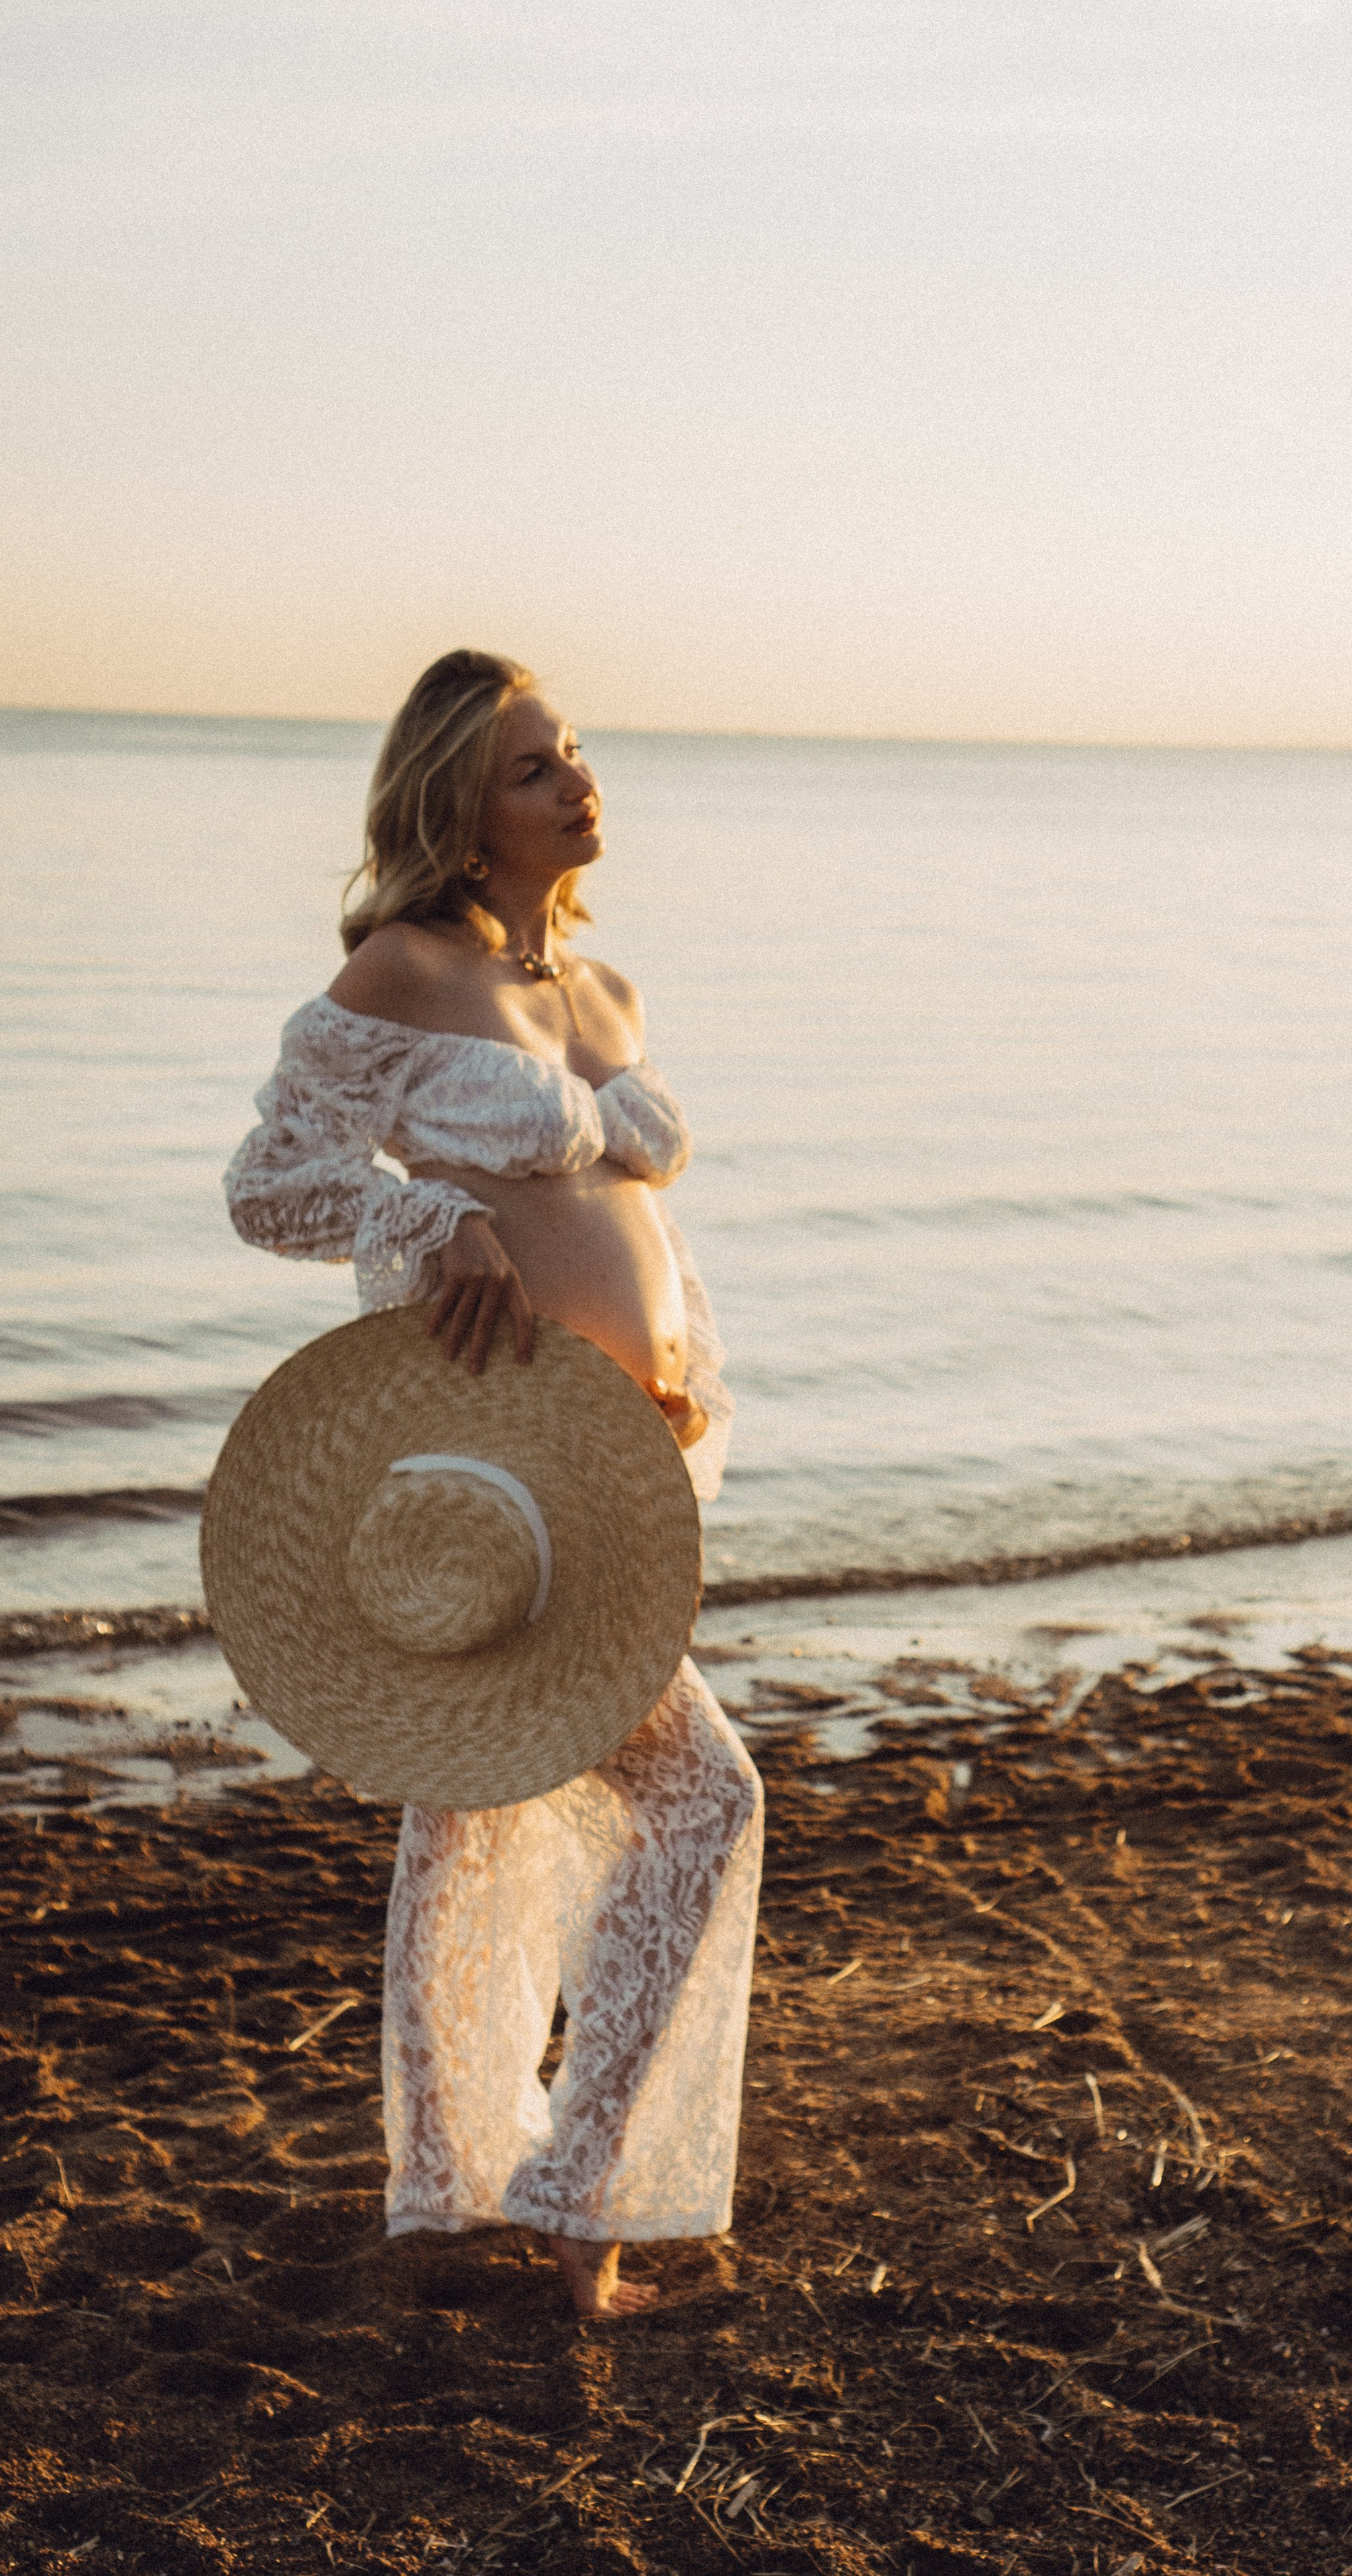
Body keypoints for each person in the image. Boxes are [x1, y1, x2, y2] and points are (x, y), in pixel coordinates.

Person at [223, 649, 762, 2316]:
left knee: (473, 1815)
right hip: (488, 1470)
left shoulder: (602, 997)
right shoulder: (402, 969)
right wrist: (426, 1216)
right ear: (462, 806)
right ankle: (575, 2207)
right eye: (535, 768)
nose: (575, 784)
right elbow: (271, 1186)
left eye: (576, 755)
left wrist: (676, 1369)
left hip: (607, 1465)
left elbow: (634, 1220)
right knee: (701, 1801)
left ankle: (462, 2198)